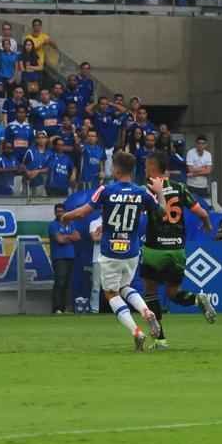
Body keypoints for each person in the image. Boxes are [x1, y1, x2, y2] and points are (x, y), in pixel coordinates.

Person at [61, 151, 161, 352]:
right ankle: (146, 311)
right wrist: (159, 192)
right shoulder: (141, 192)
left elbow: (82, 212)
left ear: (116, 169)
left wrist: (66, 216)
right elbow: (162, 213)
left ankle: (136, 332)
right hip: (132, 250)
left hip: (110, 250)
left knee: (111, 293)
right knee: (125, 286)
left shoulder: (105, 190)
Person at [139, 152, 216, 349]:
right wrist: (207, 223)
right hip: (177, 249)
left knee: (150, 291)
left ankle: (160, 339)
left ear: (153, 167)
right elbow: (201, 212)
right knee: (173, 292)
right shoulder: (180, 187)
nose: (145, 169)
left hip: (155, 248)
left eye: (147, 166)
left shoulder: (147, 189)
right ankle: (197, 299)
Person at [48, 203, 77, 314]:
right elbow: (59, 240)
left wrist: (65, 236)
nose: (59, 213)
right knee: (60, 282)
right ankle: (57, 308)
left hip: (70, 256)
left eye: (61, 211)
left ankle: (63, 308)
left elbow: (77, 237)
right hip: (59, 257)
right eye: (57, 211)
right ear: (55, 213)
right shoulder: (53, 225)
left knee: (67, 283)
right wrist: (70, 237)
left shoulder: (70, 223)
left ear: (65, 212)